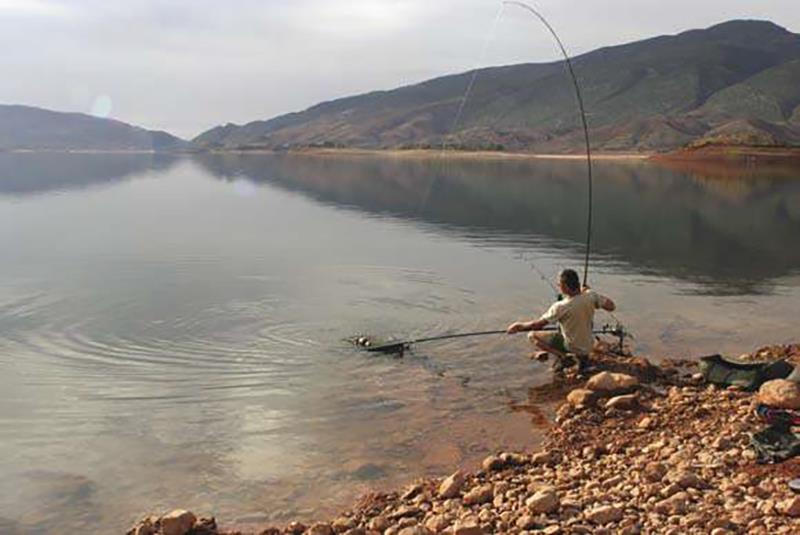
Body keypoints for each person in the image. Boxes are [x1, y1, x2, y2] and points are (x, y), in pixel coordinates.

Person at [506, 268, 616, 371]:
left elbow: (537, 325)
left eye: (560, 284)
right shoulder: (591, 296)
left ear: (566, 287)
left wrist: (518, 326)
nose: (558, 285)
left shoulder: (561, 306)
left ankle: (563, 357)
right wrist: (589, 292)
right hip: (588, 345)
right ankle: (583, 358)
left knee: (532, 335)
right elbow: (611, 307)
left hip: (573, 346)